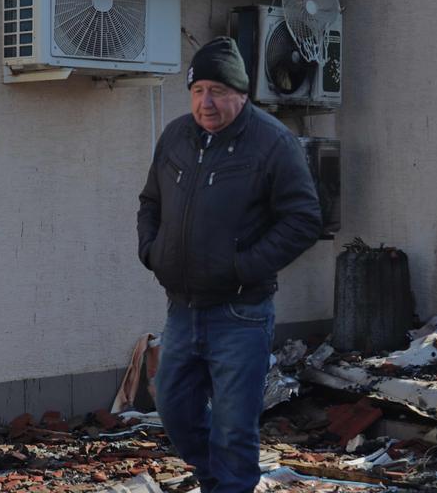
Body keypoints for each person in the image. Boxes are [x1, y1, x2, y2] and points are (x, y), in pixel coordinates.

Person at [137, 36, 322, 493]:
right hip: (182, 308)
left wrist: (242, 267)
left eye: (219, 91)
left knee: (235, 428)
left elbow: (303, 220)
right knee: (175, 410)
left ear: (242, 94)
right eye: (199, 90)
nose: (207, 102)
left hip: (241, 313)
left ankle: (228, 484)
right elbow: (150, 202)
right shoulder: (177, 136)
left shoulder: (273, 143)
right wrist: (151, 251)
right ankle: (214, 480)